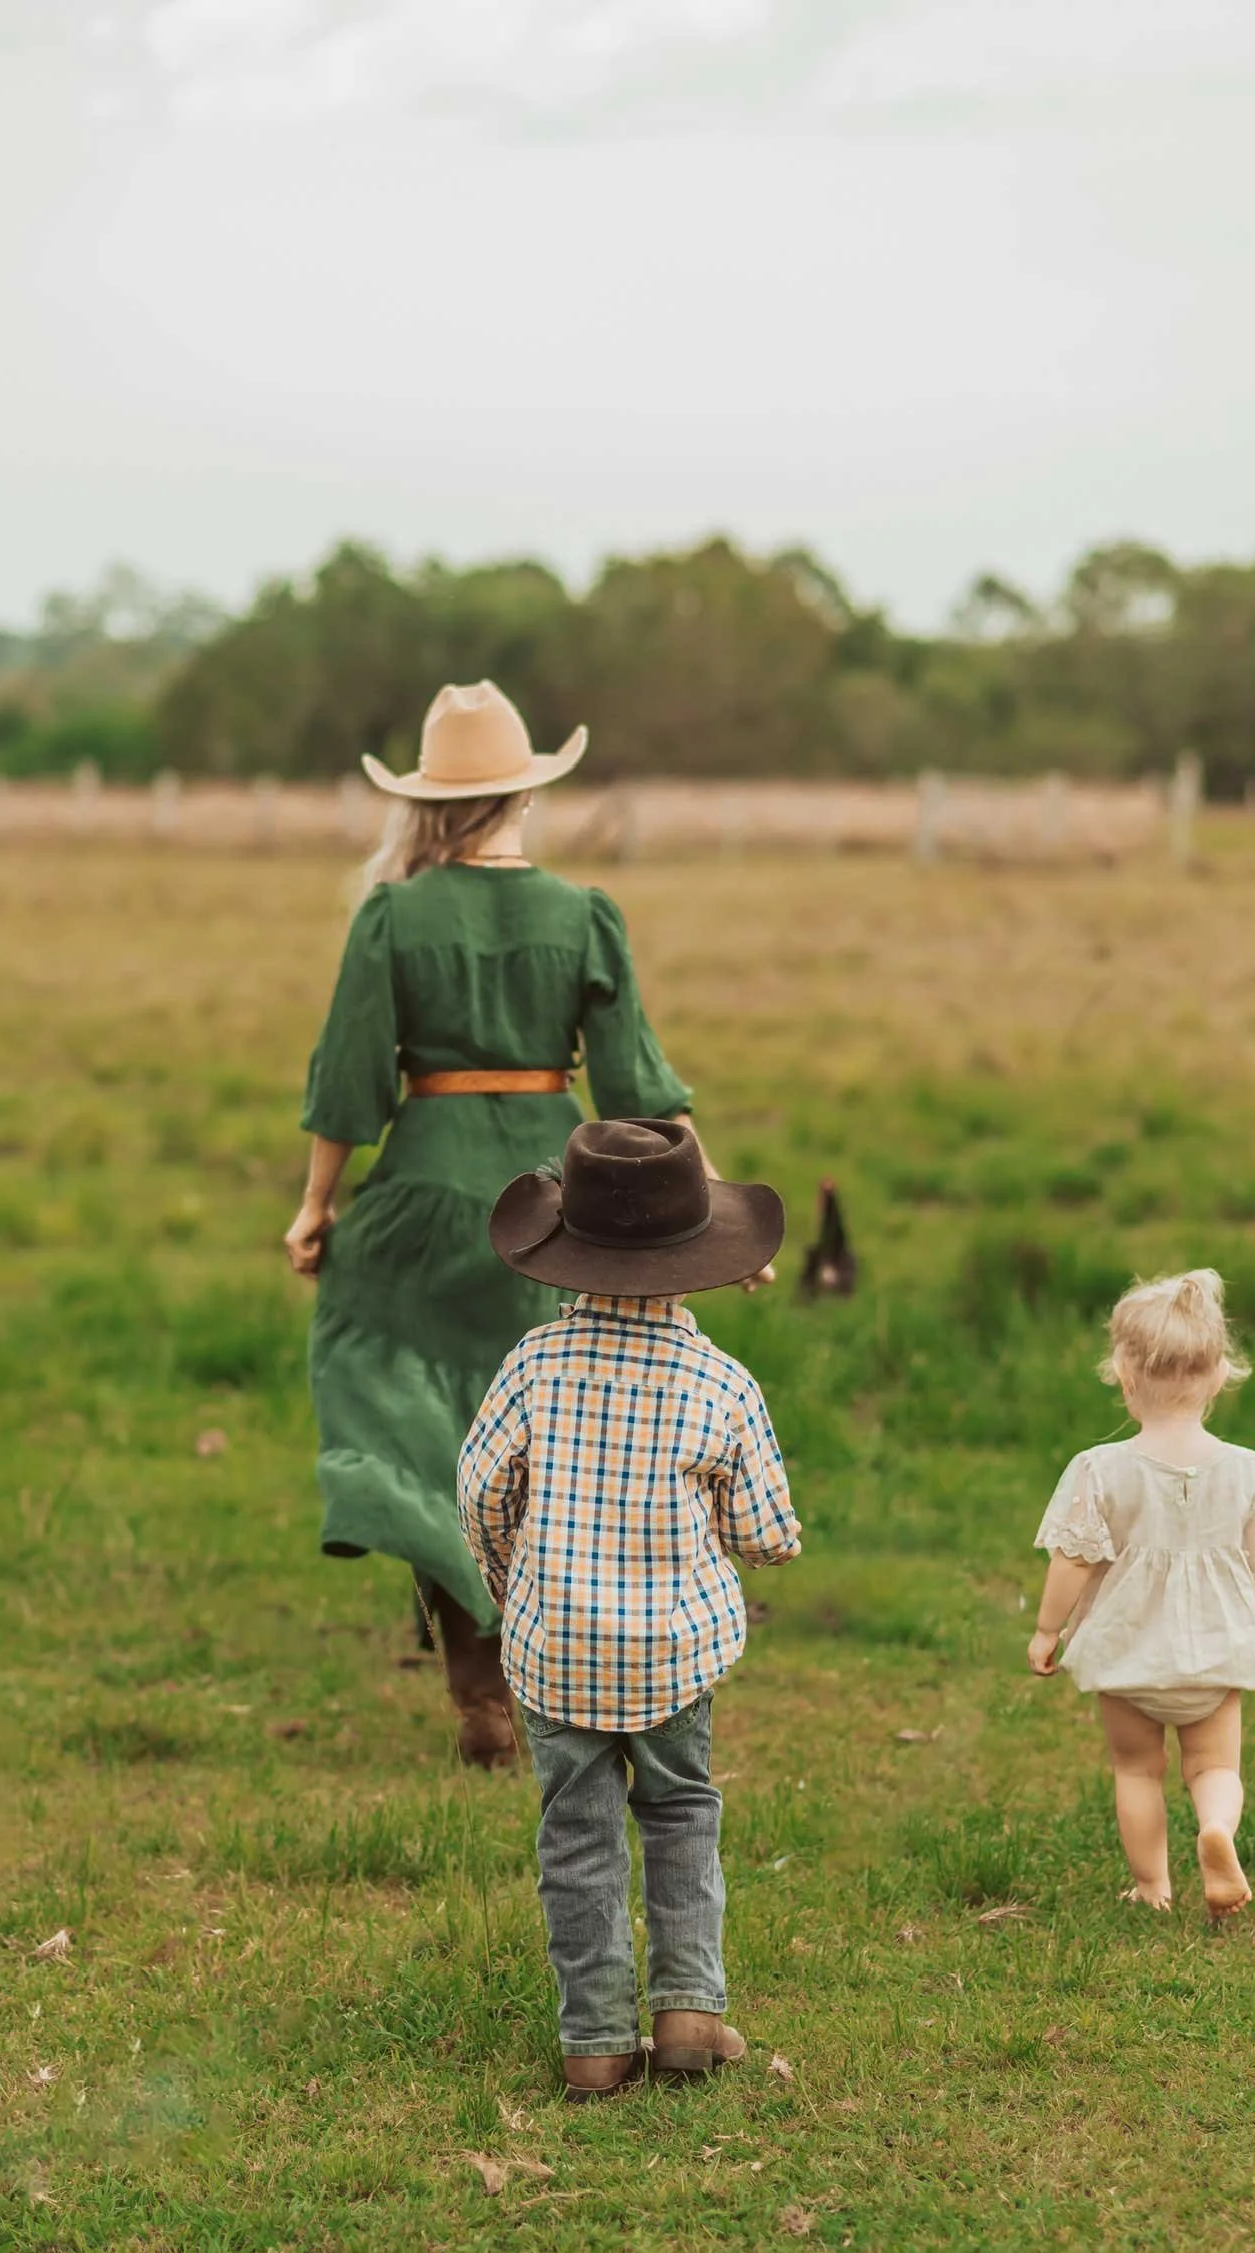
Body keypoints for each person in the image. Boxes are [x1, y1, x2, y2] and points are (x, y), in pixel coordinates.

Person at [284, 679, 767, 1767]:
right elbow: (641, 1085)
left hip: (418, 1191)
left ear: (427, 800)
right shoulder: (581, 911)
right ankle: (550, 1670)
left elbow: (349, 1084)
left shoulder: (392, 914)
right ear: (525, 796)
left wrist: (316, 1207)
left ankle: (474, 1677)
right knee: (546, 1439)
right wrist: (718, 1209)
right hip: (556, 1205)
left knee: (416, 1415)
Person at [457, 1119, 802, 2101]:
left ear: (565, 1249)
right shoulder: (718, 1380)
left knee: (576, 1833)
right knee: (681, 1811)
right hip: (673, 1651)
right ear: (704, 1259)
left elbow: (480, 1490)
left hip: (552, 1643)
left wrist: (507, 1576)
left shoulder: (532, 1363)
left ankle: (594, 2042)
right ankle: (688, 2010)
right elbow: (768, 1530)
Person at [1027, 1268, 1255, 1917]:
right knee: (1214, 1769)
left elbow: (1070, 1560)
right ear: (1216, 1376)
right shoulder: (1250, 1471)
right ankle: (1215, 1830)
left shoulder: (1098, 1469)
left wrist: (1047, 1630)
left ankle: (1152, 1887)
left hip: (1128, 1658)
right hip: (1214, 1656)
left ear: (1123, 1377)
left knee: (1136, 1771)